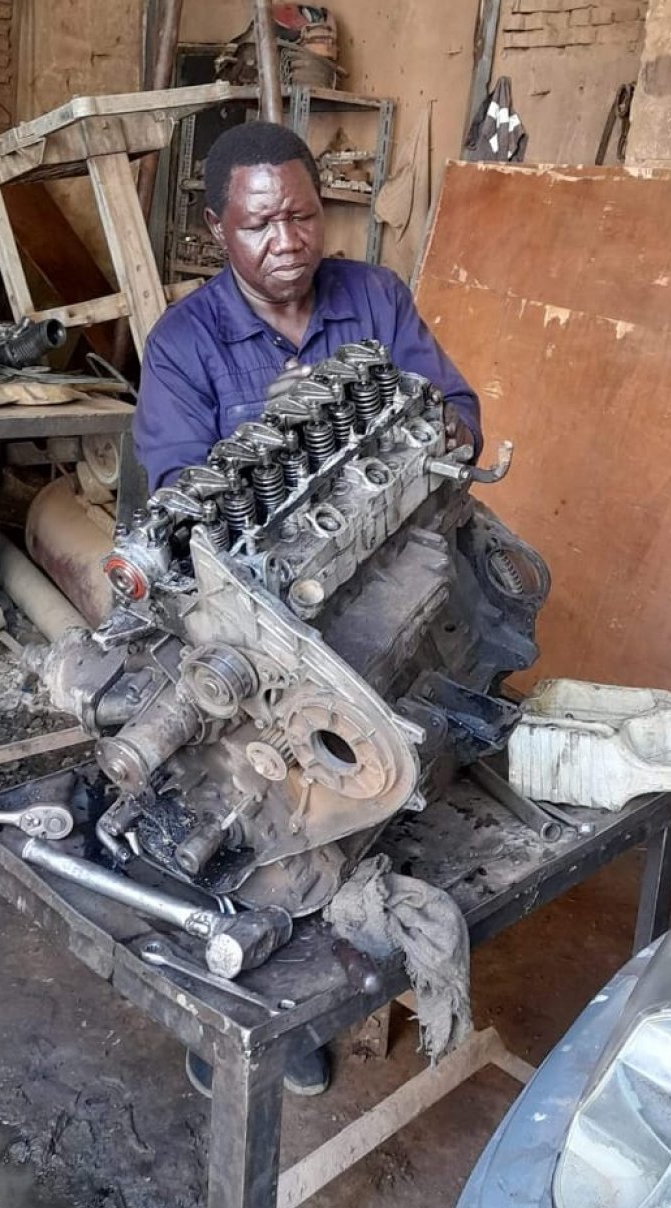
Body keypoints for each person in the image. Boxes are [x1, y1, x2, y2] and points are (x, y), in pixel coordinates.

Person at [134, 122, 483, 1100]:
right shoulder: (185, 342)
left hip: (376, 577)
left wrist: (426, 422)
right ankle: (243, 1012)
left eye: (302, 213)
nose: (287, 237)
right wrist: (272, 446)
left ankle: (336, 982)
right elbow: (180, 512)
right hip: (254, 623)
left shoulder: (372, 296)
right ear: (217, 232)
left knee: (388, 757)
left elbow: (459, 410)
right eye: (259, 223)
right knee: (248, 797)